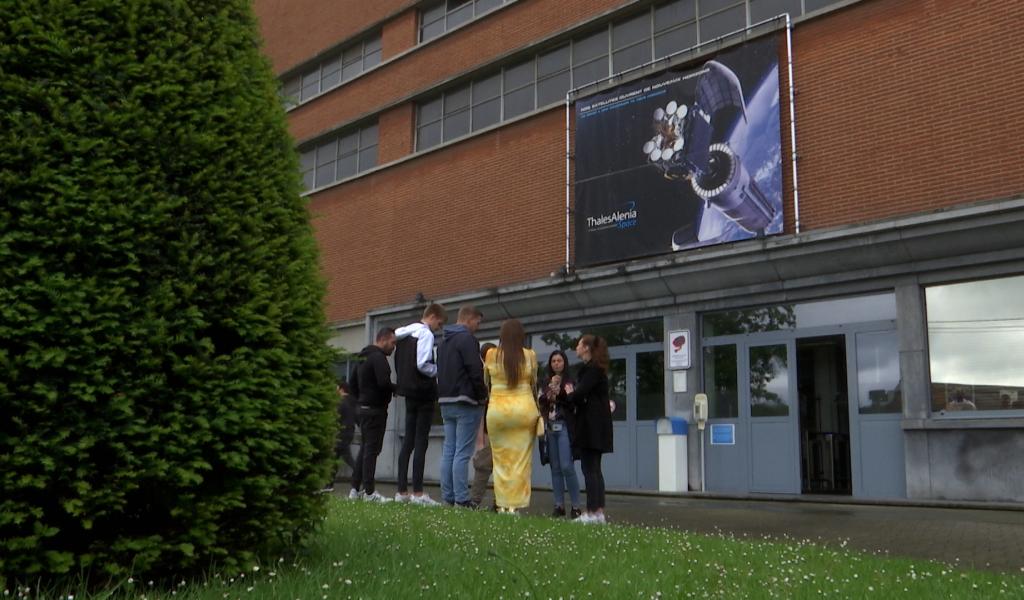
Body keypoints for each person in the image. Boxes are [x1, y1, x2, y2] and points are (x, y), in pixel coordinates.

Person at [484, 319, 540, 513]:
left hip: (498, 411)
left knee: (500, 461)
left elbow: (486, 383)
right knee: (521, 461)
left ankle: (503, 505)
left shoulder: (491, 355)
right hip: (524, 411)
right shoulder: (530, 355)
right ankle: (515, 506)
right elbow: (534, 382)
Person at [393, 303, 447, 505]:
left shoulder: (404, 334)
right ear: (432, 316)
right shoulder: (425, 335)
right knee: (420, 441)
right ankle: (417, 492)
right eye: (439, 324)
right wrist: (438, 370)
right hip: (423, 392)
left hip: (407, 391)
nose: (438, 328)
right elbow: (423, 363)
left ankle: (401, 490)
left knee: (408, 440)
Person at [437, 306, 488, 507]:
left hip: (445, 401)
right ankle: (461, 499)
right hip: (465, 401)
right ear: (469, 319)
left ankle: (448, 497)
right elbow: (475, 369)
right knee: (463, 452)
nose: (477, 327)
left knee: (449, 450)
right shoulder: (467, 339)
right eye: (478, 322)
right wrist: (482, 395)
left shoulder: (443, 342)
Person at [564, 334, 612, 524]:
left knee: (589, 469)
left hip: (591, 426)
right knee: (595, 469)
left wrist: (570, 394)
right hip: (597, 426)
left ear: (586, 348)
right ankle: (598, 511)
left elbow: (580, 393)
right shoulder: (597, 370)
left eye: (579, 345)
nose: (576, 347)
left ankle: (592, 512)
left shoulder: (591, 370)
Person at [348, 327, 397, 503]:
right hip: (375, 411)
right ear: (383, 339)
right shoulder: (378, 358)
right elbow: (384, 383)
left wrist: (358, 404)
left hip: (362, 410)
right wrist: (396, 389)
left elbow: (351, 385)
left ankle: (355, 489)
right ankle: (369, 492)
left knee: (365, 449)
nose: (394, 347)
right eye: (393, 343)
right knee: (372, 450)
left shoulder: (361, 357)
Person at [538, 350, 581, 519]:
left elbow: (572, 402)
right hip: (549, 428)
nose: (556, 364)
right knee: (554, 468)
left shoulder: (570, 382)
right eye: (553, 361)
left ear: (565, 363)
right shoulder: (545, 382)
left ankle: (576, 506)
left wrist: (560, 391)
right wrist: (550, 389)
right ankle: (559, 505)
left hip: (564, 427)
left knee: (566, 466)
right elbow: (541, 401)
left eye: (559, 360)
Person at [470, 342, 497, 509]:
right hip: (489, 427)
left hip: (501, 425)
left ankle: (499, 502)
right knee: (483, 464)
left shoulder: (499, 376)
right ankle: (475, 500)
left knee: (500, 466)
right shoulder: (482, 378)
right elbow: (481, 408)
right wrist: (480, 439)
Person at [330, 381, 357, 489]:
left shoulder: (340, 402)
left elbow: (335, 418)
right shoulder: (352, 401)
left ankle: (361, 476)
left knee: (345, 458)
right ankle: (329, 484)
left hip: (341, 433)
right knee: (336, 458)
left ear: (341, 389)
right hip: (349, 432)